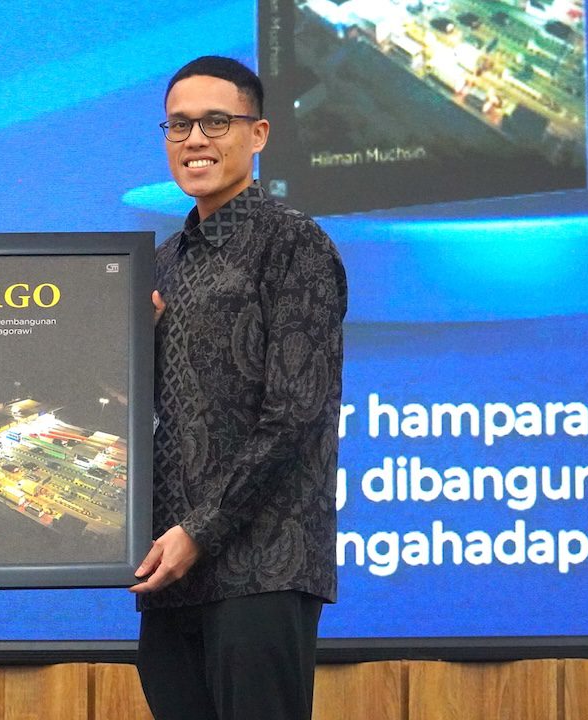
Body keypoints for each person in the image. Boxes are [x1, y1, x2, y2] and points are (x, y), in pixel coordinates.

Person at [130, 56, 348, 720]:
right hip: (171, 573)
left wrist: (199, 530)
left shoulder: (295, 244)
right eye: (179, 125)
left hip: (263, 567)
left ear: (258, 134)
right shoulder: (159, 264)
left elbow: (296, 414)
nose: (195, 139)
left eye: (216, 122)